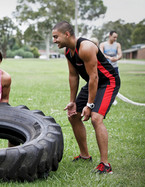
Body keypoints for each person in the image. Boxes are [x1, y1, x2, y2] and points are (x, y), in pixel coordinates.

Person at [52, 21, 120, 174]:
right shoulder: (68, 52)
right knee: (73, 116)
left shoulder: (86, 48)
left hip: (108, 82)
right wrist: (72, 102)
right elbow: (73, 76)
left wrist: (89, 105)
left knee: (96, 118)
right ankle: (84, 155)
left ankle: (105, 164)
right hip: (93, 82)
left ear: (67, 34)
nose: (54, 40)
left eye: (56, 37)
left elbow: (94, 77)